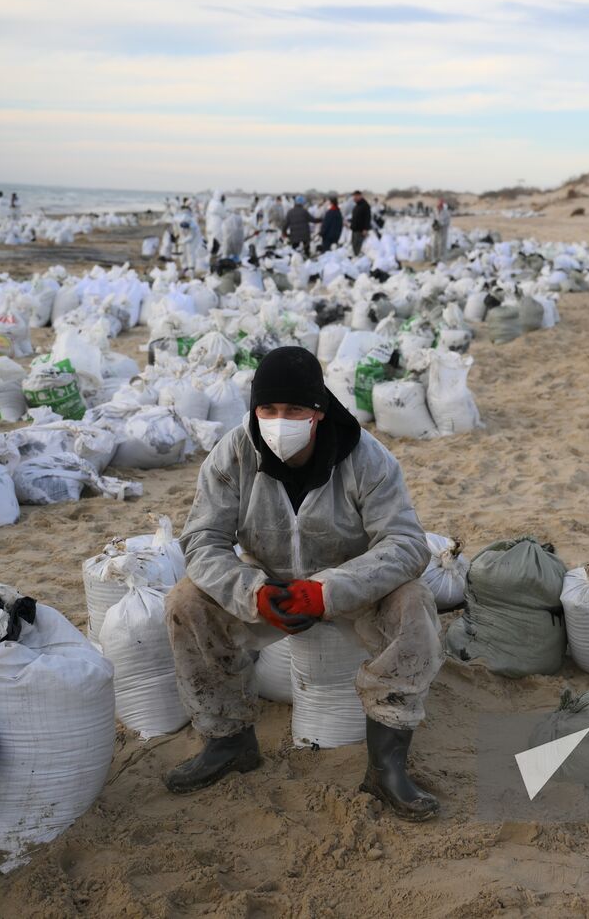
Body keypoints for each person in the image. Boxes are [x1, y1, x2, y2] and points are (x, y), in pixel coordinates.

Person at [164, 347, 443, 820]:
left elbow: (405, 543)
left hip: (353, 586)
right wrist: (252, 592)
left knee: (414, 601)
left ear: (318, 411)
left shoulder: (367, 458)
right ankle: (228, 741)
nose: (279, 421)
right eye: (268, 410)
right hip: (268, 585)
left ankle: (387, 766)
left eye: (294, 410)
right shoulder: (233, 454)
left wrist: (329, 590)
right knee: (185, 600)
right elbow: (202, 541)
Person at [349, 190, 373, 256]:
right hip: (354, 230)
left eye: (355, 196)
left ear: (360, 196)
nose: (354, 198)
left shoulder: (365, 205)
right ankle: (355, 259)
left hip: (360, 231)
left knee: (358, 247)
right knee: (354, 246)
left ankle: (358, 259)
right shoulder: (356, 206)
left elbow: (367, 218)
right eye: (353, 196)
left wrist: (365, 229)